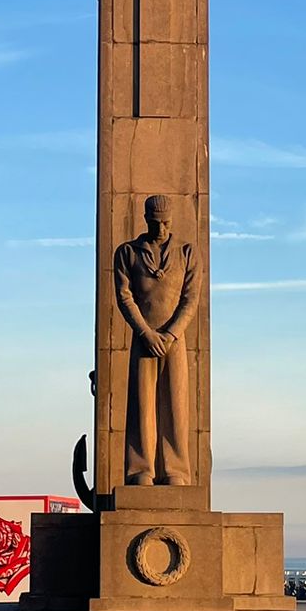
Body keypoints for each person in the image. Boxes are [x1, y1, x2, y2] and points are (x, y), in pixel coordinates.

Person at [113, 194, 199, 484]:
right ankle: (141, 469)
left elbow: (191, 299)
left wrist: (172, 333)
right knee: (141, 406)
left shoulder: (187, 252)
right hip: (144, 337)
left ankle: (175, 469)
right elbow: (125, 297)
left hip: (174, 339)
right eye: (155, 223)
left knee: (175, 406)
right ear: (146, 220)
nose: (161, 229)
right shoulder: (127, 252)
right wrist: (145, 332)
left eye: (166, 223)